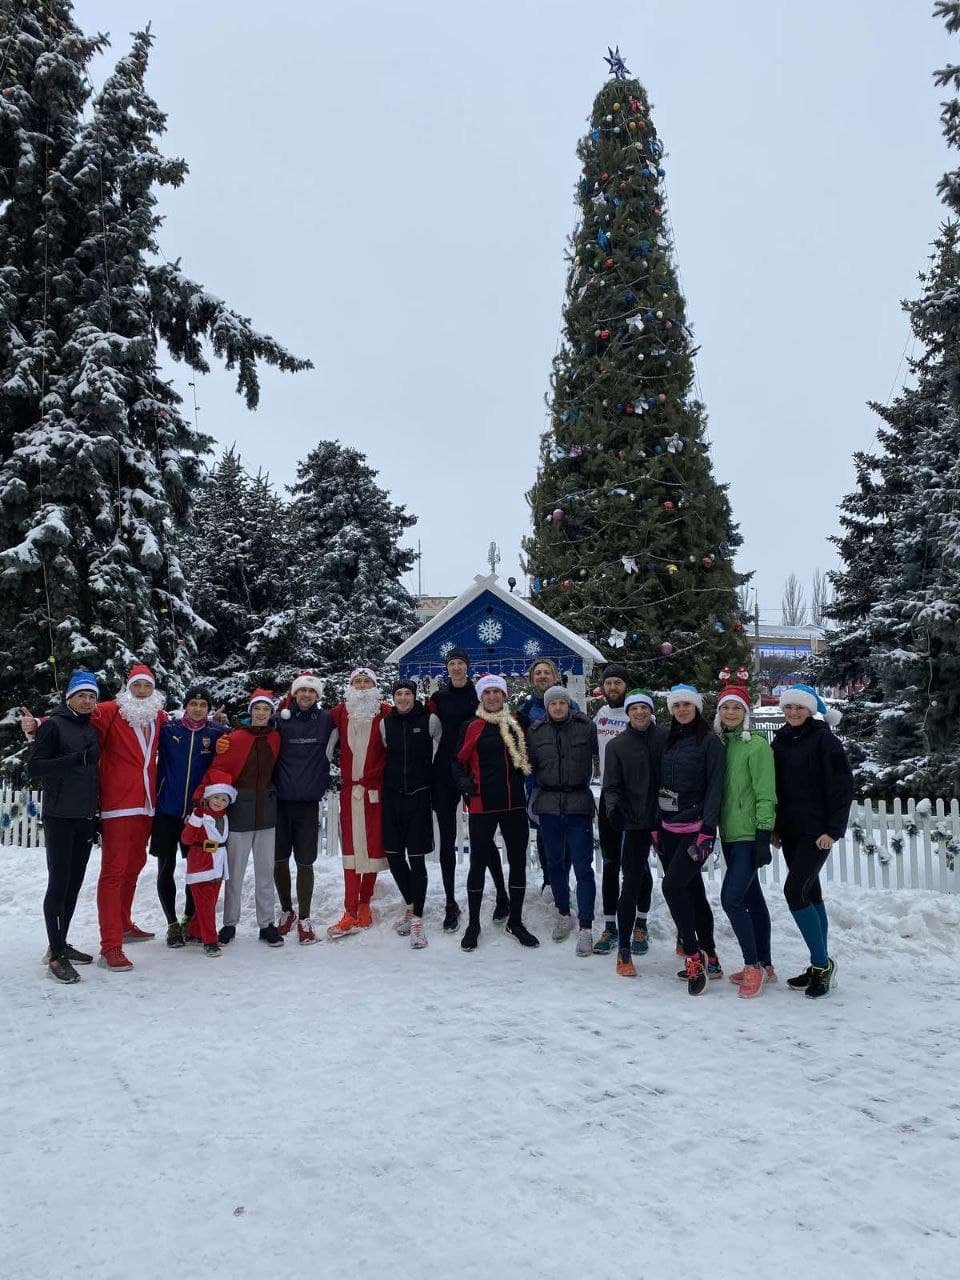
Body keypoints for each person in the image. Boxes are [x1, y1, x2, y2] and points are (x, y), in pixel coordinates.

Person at [772, 683, 854, 1000]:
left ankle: (822, 965)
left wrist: (833, 830)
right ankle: (819, 961)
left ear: (810, 710)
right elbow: (776, 788)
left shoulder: (825, 741)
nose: (793, 712)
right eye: (789, 707)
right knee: (811, 891)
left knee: (794, 891)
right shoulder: (780, 740)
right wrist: (776, 827)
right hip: (791, 831)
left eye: (799, 707)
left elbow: (842, 787)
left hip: (817, 832)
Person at [453, 673, 539, 952]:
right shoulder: (472, 726)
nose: (492, 697)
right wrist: (464, 782)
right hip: (483, 804)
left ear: (504, 696)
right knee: (477, 863)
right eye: (487, 693)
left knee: (517, 862)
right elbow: (457, 761)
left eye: (497, 692)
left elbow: (533, 752)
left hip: (514, 803)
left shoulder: (517, 722)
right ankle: (473, 924)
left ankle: (515, 920)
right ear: (481, 697)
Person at [27, 670, 101, 984]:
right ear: (69, 697)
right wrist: (76, 759)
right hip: (59, 816)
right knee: (58, 884)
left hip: (84, 817)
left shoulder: (91, 728)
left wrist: (96, 815)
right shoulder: (54, 726)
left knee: (73, 885)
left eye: (92, 696)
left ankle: (59, 943)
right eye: (81, 695)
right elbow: (34, 768)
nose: (87, 701)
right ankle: (56, 957)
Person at [428, 649, 508, 930]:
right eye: (452, 664)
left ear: (467, 667)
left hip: (474, 770)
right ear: (447, 668)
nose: (456, 668)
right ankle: (450, 903)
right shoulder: (438, 698)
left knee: (483, 836)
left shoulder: (479, 694)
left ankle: (502, 894)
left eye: (461, 663)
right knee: (447, 838)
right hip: (444, 771)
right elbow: (427, 727)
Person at [658, 684, 725, 996]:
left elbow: (716, 787)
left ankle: (693, 955)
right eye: (677, 705)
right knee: (693, 891)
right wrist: (655, 825)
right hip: (668, 829)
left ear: (696, 707)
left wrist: (708, 830)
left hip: (696, 830)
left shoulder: (709, 742)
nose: (682, 710)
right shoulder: (667, 740)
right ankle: (711, 956)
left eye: (687, 704)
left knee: (671, 887)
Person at [150, 685, 229, 948]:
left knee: (197, 869)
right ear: (185, 706)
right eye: (193, 704)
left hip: (198, 817)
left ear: (209, 709)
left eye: (203, 705)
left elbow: (243, 739)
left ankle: (188, 918)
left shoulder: (216, 733)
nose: (197, 709)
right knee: (166, 867)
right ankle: (172, 924)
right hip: (167, 811)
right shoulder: (169, 730)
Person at [714, 681, 778, 999]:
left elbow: (766, 794)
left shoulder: (757, 746)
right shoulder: (722, 744)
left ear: (746, 713)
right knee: (752, 899)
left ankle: (753, 966)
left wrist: (763, 835)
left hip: (749, 835)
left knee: (731, 899)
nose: (730, 712)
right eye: (725, 707)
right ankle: (765, 964)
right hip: (729, 833)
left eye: (736, 707)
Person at [526, 685, 597, 957]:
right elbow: (528, 765)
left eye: (562, 703)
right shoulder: (536, 731)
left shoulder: (585, 727)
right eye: (552, 703)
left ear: (569, 705)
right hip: (549, 805)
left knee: (583, 866)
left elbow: (604, 752)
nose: (557, 707)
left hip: (578, 803)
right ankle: (564, 912)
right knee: (555, 863)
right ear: (546, 707)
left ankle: (586, 925)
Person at [602, 689, 667, 978]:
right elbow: (611, 785)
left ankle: (687, 941)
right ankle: (624, 950)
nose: (639, 712)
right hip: (635, 822)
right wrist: (613, 809)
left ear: (651, 711)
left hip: (667, 822)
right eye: (634, 708)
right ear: (627, 713)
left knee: (680, 882)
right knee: (630, 882)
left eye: (644, 707)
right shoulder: (617, 745)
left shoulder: (666, 737)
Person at [212, 690, 283, 947]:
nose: (261, 713)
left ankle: (267, 924)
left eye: (266, 709)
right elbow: (219, 768)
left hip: (267, 812)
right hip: (240, 812)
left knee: (265, 872)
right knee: (234, 872)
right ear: (250, 711)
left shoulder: (276, 737)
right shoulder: (235, 738)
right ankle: (230, 923)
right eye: (257, 709)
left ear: (271, 713)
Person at [325, 668, 390, 940]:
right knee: (352, 849)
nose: (362, 686)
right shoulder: (340, 712)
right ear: (350, 686)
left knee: (373, 847)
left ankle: (365, 903)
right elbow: (313, 724)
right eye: (357, 681)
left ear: (374, 686)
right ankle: (349, 909)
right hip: (350, 790)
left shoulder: (384, 712)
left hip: (375, 791)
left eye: (367, 682)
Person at [274, 671, 334, 945]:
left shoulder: (326, 720)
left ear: (317, 696)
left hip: (308, 802)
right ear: (294, 694)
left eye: (311, 691)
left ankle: (305, 918)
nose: (306, 695)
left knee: (305, 861)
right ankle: (287, 911)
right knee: (279, 859)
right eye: (302, 691)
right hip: (281, 801)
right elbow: (255, 729)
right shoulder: (280, 720)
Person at [381, 679, 441, 949]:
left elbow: (440, 753)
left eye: (408, 694)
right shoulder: (386, 724)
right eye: (399, 694)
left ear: (414, 696)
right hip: (392, 797)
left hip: (419, 796)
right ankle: (410, 903)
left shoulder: (429, 721)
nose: (403, 698)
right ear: (393, 698)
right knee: (394, 856)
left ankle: (417, 919)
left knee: (416, 859)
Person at [592, 663, 633, 954]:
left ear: (625, 685)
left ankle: (639, 923)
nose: (613, 687)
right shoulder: (600, 715)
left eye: (617, 682)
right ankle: (609, 926)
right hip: (608, 795)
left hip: (634, 797)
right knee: (609, 863)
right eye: (608, 683)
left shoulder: (638, 713)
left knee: (635, 864)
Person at [180, 770, 236, 957]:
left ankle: (194, 932)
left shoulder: (224, 817)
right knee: (205, 906)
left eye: (224, 799)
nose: (219, 802)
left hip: (218, 866)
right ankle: (210, 941)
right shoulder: (199, 816)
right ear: (208, 797)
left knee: (208, 905)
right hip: (201, 866)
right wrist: (195, 819)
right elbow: (186, 839)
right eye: (216, 797)